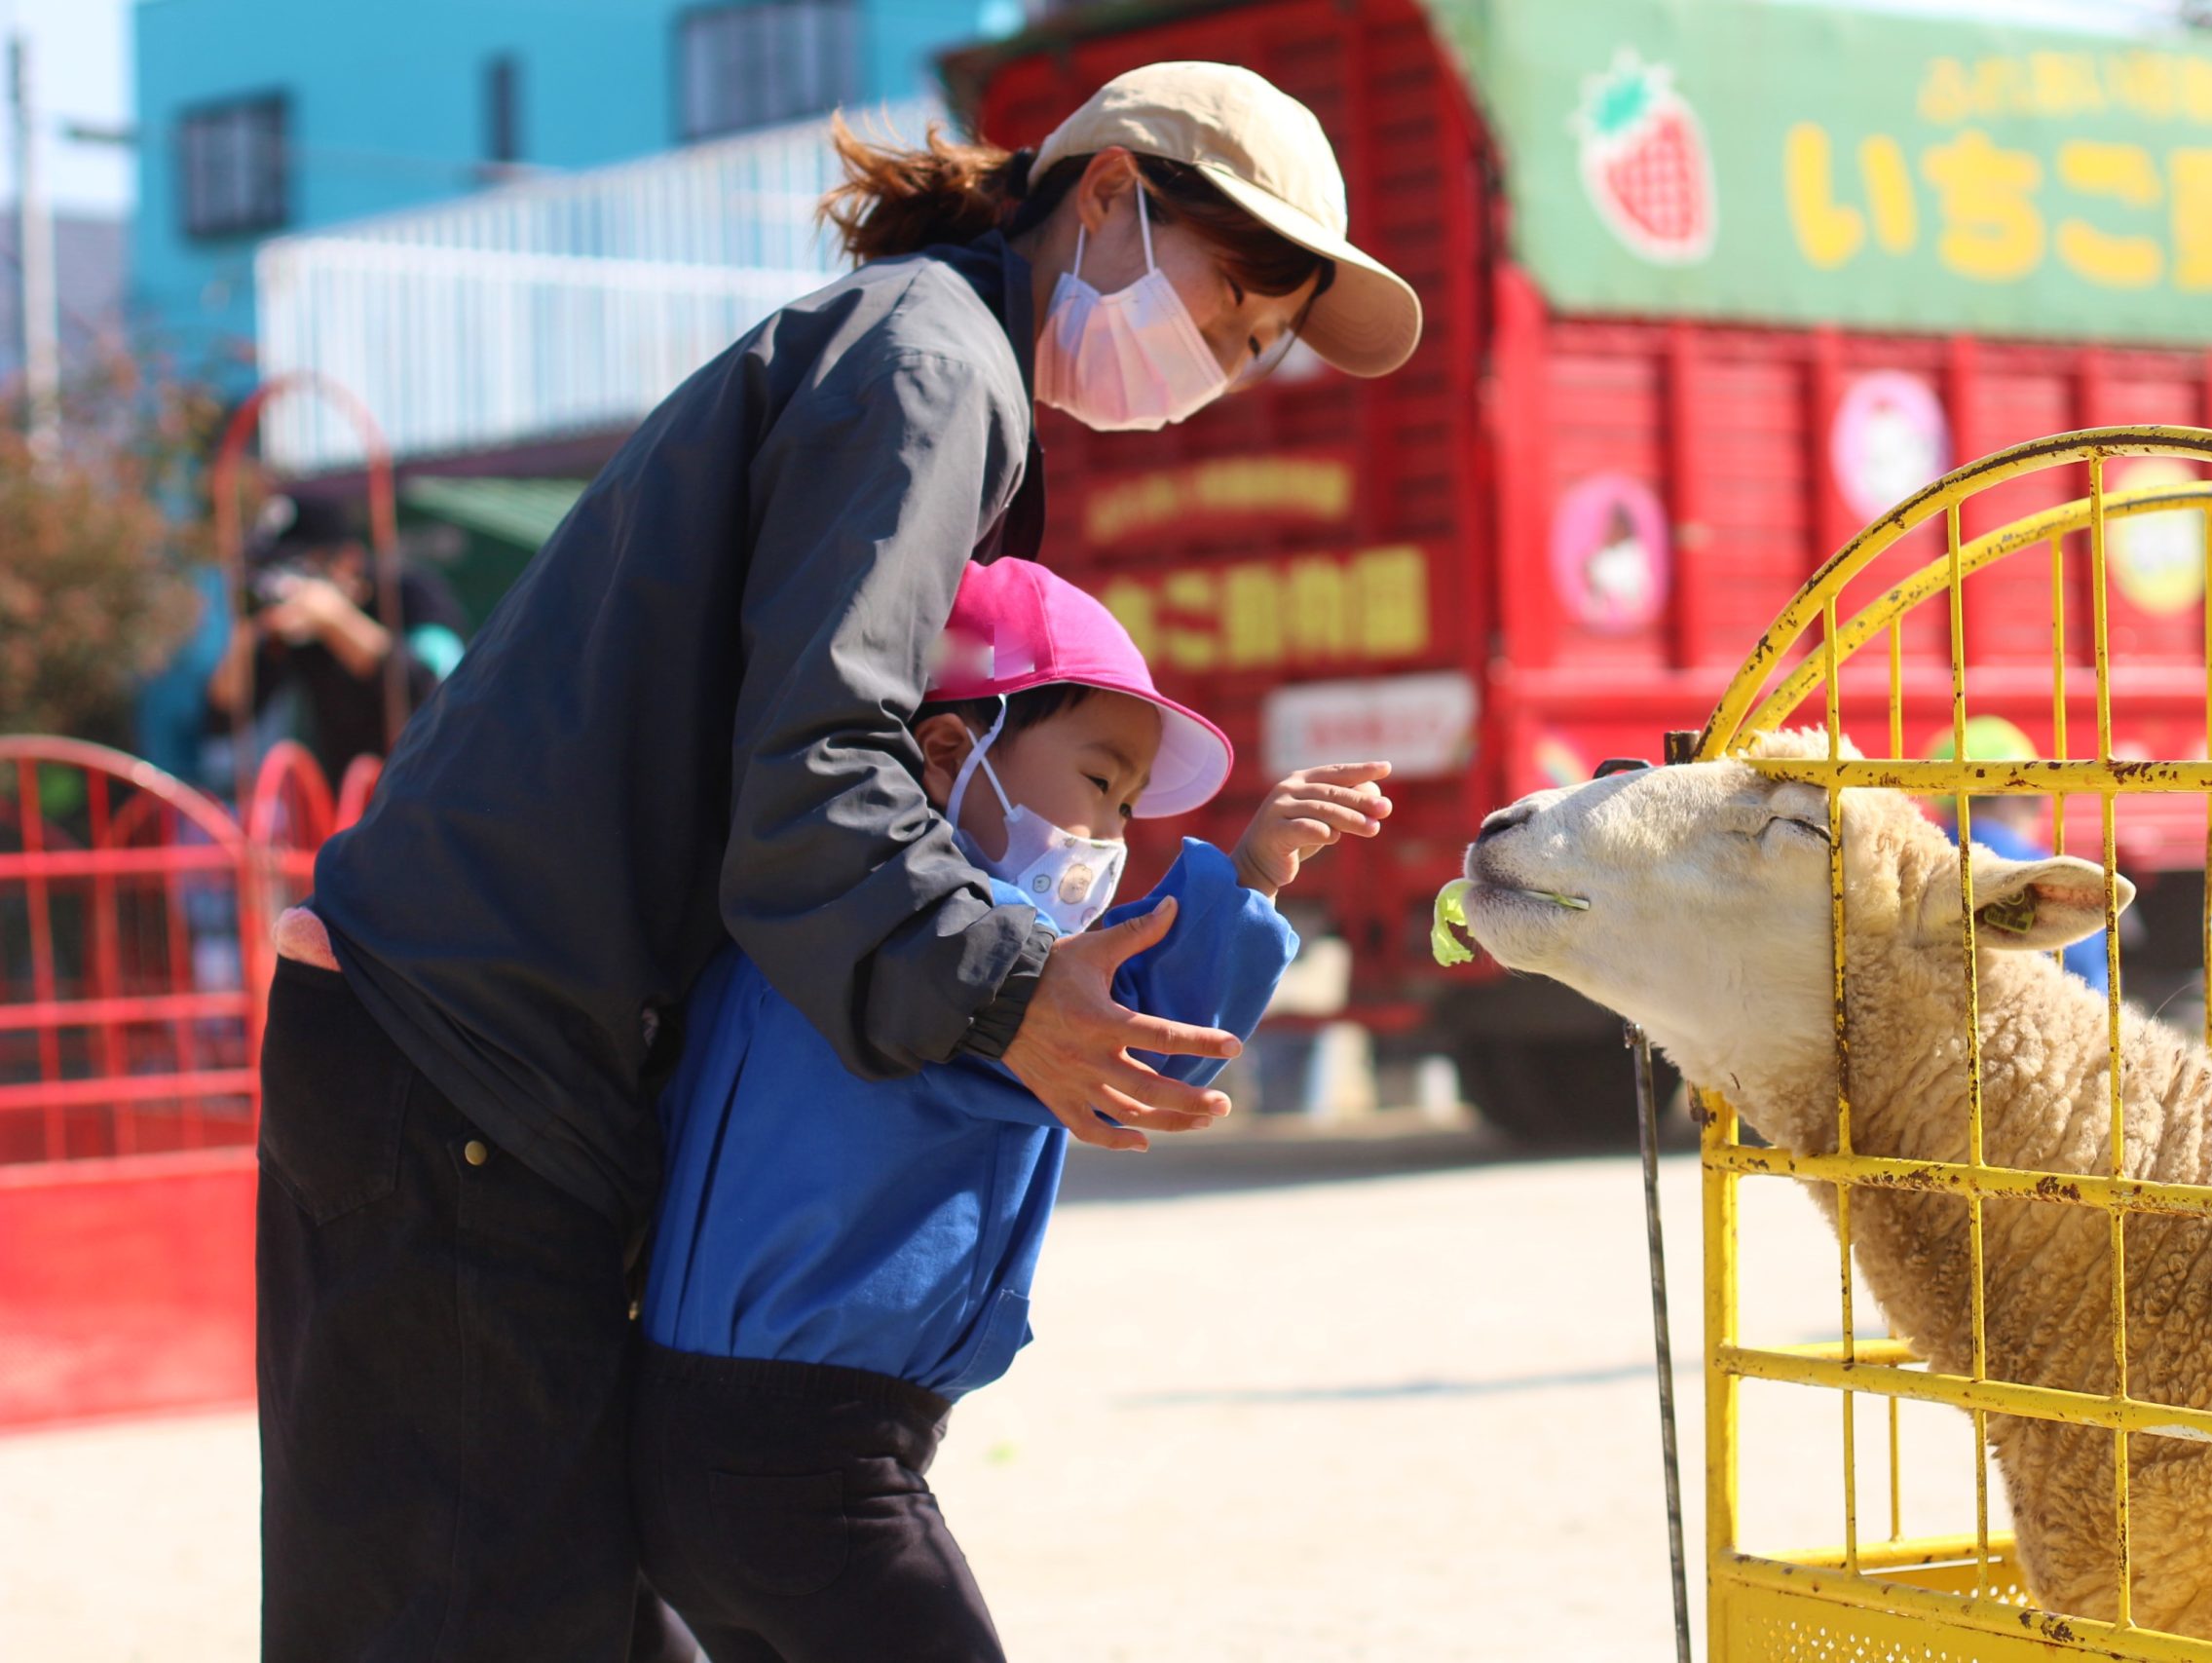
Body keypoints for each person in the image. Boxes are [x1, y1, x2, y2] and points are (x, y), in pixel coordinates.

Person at [251, 60, 1421, 1663]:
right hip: (464, 1051)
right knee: (478, 1620)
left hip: (489, 1052)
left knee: (563, 1603)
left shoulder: (930, 358)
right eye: (1226, 309)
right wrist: (1010, 990)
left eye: (1249, 353)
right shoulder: (937, 368)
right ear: (1107, 196)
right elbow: (820, 762)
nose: (1216, 366)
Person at [632, 558, 1390, 1662]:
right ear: (949, 754)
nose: (1116, 829)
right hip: (808, 1459)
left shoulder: (833, 925)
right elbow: (1133, 1039)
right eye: (1099, 780)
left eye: (1129, 803)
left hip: (703, 1443)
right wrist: (1249, 880)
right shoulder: (946, 947)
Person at [206, 495, 469, 784]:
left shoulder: (412, 593)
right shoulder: (292, 630)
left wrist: (337, 621)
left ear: (347, 560)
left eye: (299, 566)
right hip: (351, 805)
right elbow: (224, 719)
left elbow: (435, 690)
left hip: (432, 786)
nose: (286, 582)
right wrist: (245, 635)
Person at [1930, 715, 2113, 995]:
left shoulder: (1921, 873)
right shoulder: (2050, 873)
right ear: (2015, 796)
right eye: (2034, 798)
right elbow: (2094, 984)